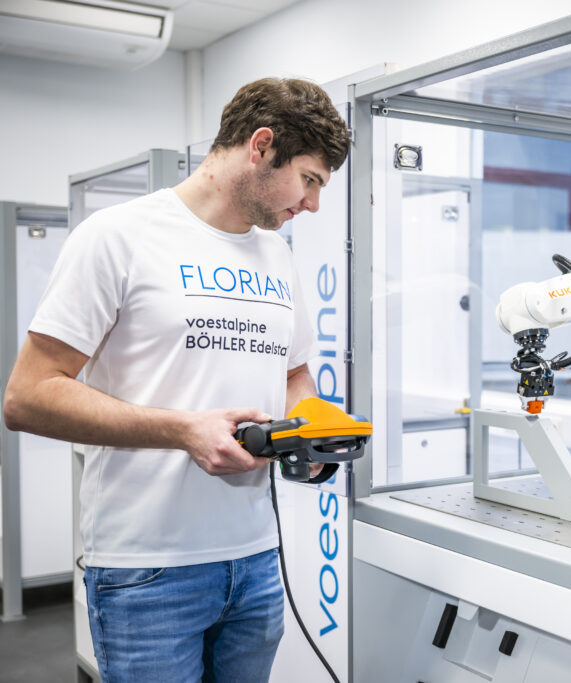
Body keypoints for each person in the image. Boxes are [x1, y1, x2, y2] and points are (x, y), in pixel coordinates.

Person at [2, 77, 349, 681]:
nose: (313, 204)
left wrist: (309, 428)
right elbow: (27, 396)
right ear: (261, 146)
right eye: (310, 179)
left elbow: (295, 374)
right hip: (146, 570)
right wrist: (182, 430)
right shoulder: (118, 236)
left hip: (257, 559)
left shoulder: (278, 255)